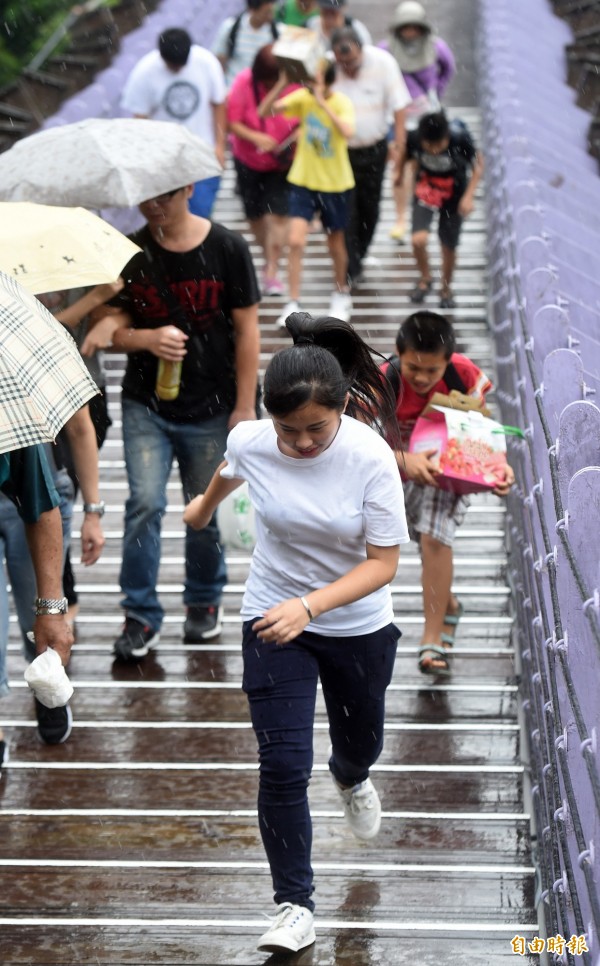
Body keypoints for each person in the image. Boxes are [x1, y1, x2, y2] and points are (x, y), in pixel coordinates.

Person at [183, 310, 409, 954]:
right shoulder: (254, 440)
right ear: (269, 417)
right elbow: (233, 467)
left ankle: (352, 772)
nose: (304, 443)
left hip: (357, 622)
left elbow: (384, 563)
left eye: (317, 429)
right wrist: (203, 507)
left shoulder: (369, 459)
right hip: (272, 615)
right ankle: (294, 904)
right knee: (281, 764)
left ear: (341, 411)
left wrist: (311, 606)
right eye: (291, 431)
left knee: (359, 739)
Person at [87, 184, 260, 662]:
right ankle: (139, 613)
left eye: (163, 195)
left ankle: (203, 598)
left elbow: (248, 330)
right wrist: (146, 338)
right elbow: (107, 329)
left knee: (203, 507)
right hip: (147, 404)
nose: (153, 206)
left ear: (187, 189)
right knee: (143, 503)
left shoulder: (227, 247)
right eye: (145, 198)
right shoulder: (133, 252)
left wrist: (245, 406)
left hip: (214, 401)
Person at [381, 310, 514, 676]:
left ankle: (432, 639)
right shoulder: (382, 380)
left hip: (449, 469)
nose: (422, 378)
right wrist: (403, 459)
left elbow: (482, 424)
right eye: (413, 369)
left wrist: (498, 468)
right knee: (424, 542)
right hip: (395, 471)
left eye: (432, 372)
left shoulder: (463, 373)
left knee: (435, 539)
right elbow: (356, 440)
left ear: (448, 362)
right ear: (398, 354)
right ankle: (449, 604)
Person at [0, 403, 105, 752]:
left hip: (29, 492)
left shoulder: (12, 384)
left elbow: (80, 426)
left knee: (41, 621)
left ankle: (46, 682)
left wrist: (93, 510)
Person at [258, 61, 355, 324]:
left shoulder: (342, 102)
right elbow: (265, 112)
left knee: (335, 242)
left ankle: (340, 292)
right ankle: (293, 302)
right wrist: (282, 83)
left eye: (318, 78)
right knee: (296, 241)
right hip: (303, 180)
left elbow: (348, 132)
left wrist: (323, 103)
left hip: (335, 183)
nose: (312, 84)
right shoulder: (302, 97)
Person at [0, 444, 76, 771]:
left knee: (36, 619)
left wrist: (51, 609)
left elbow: (42, 506)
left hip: (18, 501)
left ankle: (44, 680)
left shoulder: (9, 414)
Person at [330, 26, 410, 286]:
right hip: (340, 152)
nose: (348, 68)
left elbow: (399, 106)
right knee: (347, 209)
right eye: (343, 63)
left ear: (361, 49)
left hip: (374, 148)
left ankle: (358, 255)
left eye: (352, 61)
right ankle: (351, 266)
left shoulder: (383, 63)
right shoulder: (329, 68)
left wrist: (398, 145)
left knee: (370, 208)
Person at [121, 28, 227, 218]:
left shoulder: (206, 62)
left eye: (181, 66)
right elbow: (140, 120)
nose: (178, 70)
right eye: (173, 66)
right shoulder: (144, 72)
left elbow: (218, 104)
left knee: (200, 213)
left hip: (202, 153)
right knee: (171, 218)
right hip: (164, 161)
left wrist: (220, 146)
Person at [226, 44, 299, 296]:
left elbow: (308, 115)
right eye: (266, 82)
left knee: (278, 216)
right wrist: (256, 137)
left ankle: (271, 271)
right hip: (249, 160)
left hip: (282, 162)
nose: (270, 87)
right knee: (255, 215)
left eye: (274, 81)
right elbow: (232, 122)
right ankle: (270, 258)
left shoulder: (296, 84)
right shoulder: (243, 82)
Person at [385, 1, 456, 241]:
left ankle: (417, 214)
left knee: (419, 165)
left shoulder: (437, 48)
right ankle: (400, 217)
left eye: (415, 27)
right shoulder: (386, 49)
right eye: (406, 28)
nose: (411, 32)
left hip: (425, 117)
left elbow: (448, 69)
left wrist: (436, 91)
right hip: (397, 116)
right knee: (399, 165)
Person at [401, 110, 483, 308]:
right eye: (429, 146)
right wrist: (401, 182)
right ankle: (425, 278)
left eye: (438, 146)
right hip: (426, 189)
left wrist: (468, 196)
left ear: (447, 137)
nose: (434, 150)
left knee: (448, 245)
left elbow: (478, 165)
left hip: (454, 195)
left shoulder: (459, 138)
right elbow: (407, 160)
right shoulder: (414, 138)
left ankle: (446, 288)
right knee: (417, 239)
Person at [212, 0, 281, 89]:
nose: (270, 16)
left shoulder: (277, 33)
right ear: (252, 9)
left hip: (258, 94)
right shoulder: (231, 28)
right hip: (231, 89)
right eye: (266, 13)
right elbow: (218, 61)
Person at [307, 0, 371, 49]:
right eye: (325, 9)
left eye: (333, 10)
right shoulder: (309, 25)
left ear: (343, 8)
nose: (329, 12)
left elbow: (365, 53)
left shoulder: (356, 29)